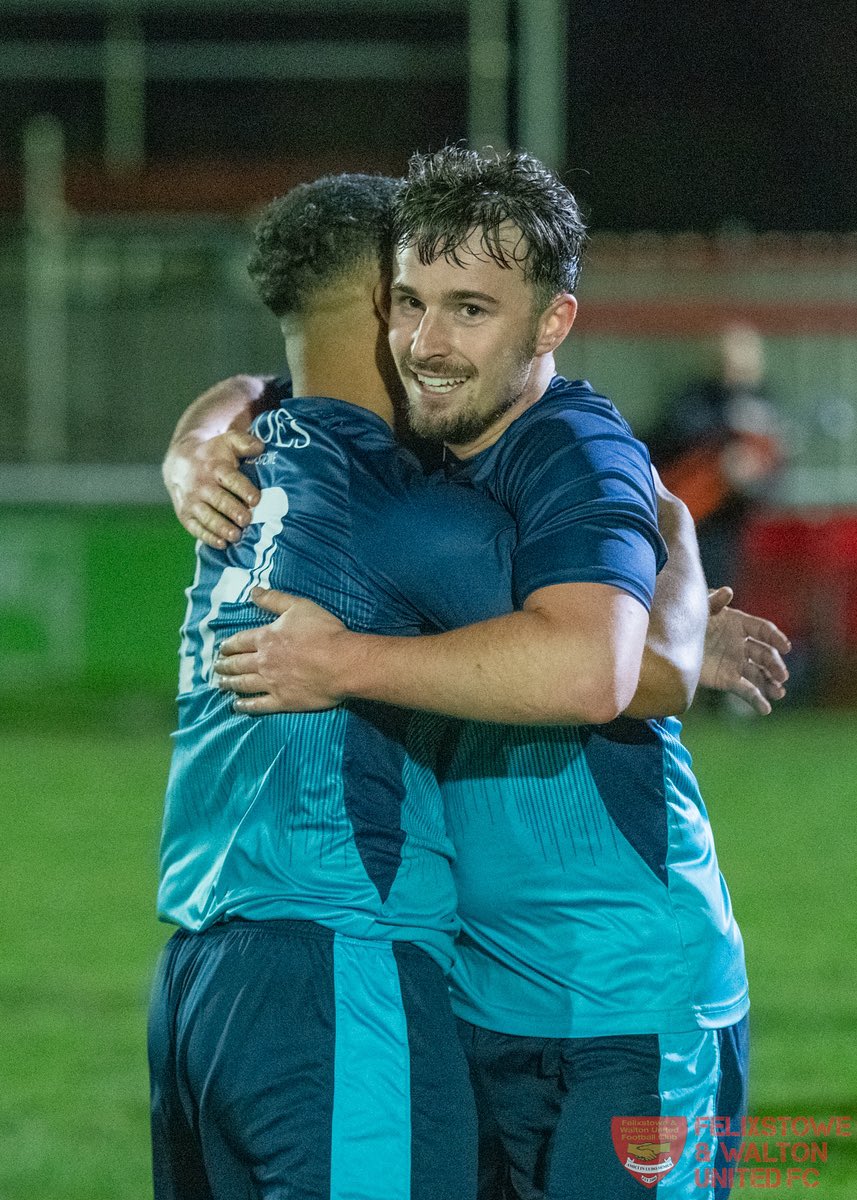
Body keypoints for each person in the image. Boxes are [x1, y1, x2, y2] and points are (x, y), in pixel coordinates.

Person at [166, 152, 791, 1200]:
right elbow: (289, 376)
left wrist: (670, 604)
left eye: (468, 310)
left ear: (548, 325)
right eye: (409, 305)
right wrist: (196, 439)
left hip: (635, 1005)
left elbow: (607, 669)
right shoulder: (418, 443)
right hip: (479, 1001)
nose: (426, 340)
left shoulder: (573, 447)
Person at [149, 173, 525, 1200]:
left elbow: (241, 395)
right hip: (339, 962)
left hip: (197, 981)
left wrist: (193, 435)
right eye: (423, 296)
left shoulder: (246, 466)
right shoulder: (406, 505)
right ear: (384, 307)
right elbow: (591, 657)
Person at [649, 323, 784, 590]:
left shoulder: (763, 405)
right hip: (683, 517)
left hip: (729, 526)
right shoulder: (695, 399)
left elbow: (771, 475)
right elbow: (670, 442)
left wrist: (748, 477)